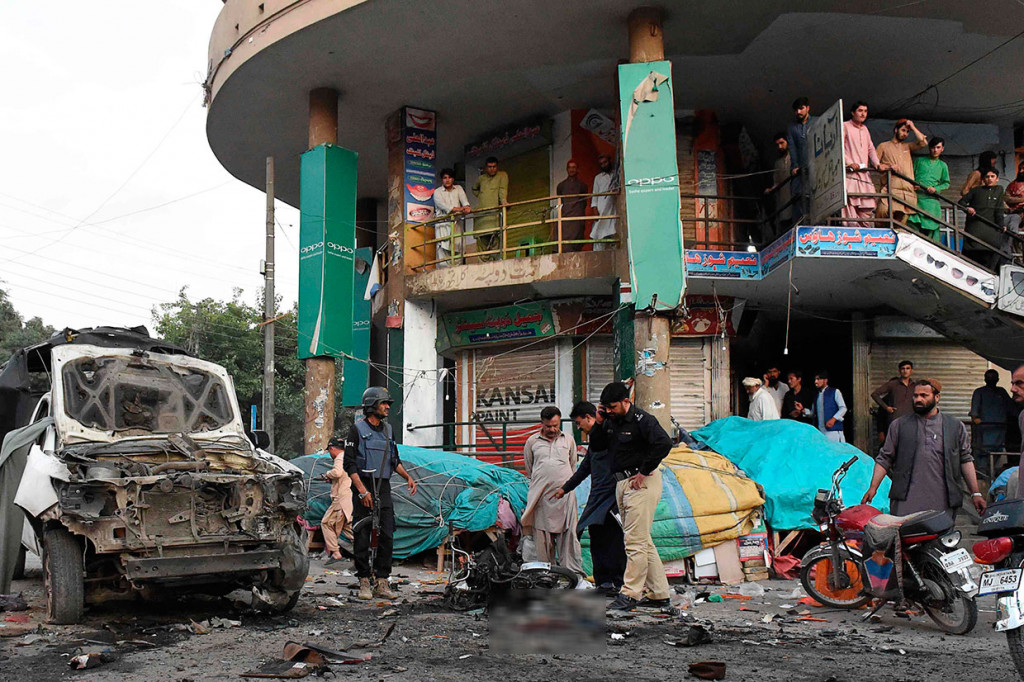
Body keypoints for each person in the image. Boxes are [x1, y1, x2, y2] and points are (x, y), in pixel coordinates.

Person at [587, 382, 674, 611]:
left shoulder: (642, 421)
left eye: (612, 406)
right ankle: (659, 594)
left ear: (626, 401)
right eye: (606, 407)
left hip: (641, 483)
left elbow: (664, 443)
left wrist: (644, 471)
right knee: (643, 541)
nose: (609, 411)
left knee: (634, 543)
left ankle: (629, 594)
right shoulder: (610, 422)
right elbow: (597, 447)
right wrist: (598, 421)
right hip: (622, 483)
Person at [862, 379, 986, 518]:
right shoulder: (899, 425)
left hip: (943, 504)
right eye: (915, 396)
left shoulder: (954, 426)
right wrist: (873, 488)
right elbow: (885, 459)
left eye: (924, 395)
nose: (918, 399)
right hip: (906, 503)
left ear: (937, 397)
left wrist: (975, 493)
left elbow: (965, 460)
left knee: (941, 539)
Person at [344, 387, 418, 601]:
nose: (387, 407)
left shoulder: (388, 431)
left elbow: (394, 460)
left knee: (387, 533)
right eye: (384, 403)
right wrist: (362, 491)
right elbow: (350, 465)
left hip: (382, 487)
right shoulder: (356, 431)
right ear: (371, 406)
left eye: (388, 404)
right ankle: (364, 581)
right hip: (363, 485)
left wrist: (408, 477)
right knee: (362, 534)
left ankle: (382, 581)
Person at [551, 401, 627, 594]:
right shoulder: (596, 440)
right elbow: (585, 468)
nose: (579, 427)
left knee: (614, 540)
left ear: (589, 418)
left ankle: (618, 583)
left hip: (612, 496)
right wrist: (564, 489)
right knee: (597, 539)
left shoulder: (609, 435)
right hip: (598, 496)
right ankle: (604, 583)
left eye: (579, 423)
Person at [521, 406, 585, 577]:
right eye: (548, 426)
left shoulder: (568, 440)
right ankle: (545, 575)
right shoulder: (532, 442)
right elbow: (530, 468)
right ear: (542, 423)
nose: (552, 429)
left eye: (555, 425)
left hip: (565, 498)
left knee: (568, 537)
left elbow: (572, 466)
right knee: (542, 538)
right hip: (541, 498)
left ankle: (571, 575)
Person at [876, 119, 928, 224]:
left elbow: (923, 143)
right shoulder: (883, 146)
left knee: (900, 225)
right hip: (891, 189)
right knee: (882, 214)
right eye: (903, 130)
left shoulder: (907, 146)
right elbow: (876, 165)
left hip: (907, 191)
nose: (905, 134)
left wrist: (912, 127)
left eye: (907, 132)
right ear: (896, 130)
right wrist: (889, 167)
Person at [842, 101, 881, 226]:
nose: (863, 114)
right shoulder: (845, 126)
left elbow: (870, 148)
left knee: (866, 212)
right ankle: (852, 237)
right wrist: (849, 163)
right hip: (850, 175)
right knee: (850, 212)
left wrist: (878, 164)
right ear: (853, 113)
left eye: (865, 111)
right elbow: (839, 148)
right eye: (860, 111)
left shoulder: (865, 129)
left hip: (864, 175)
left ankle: (864, 238)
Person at [960, 168, 1007, 270]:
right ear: (983, 179)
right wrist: (968, 208)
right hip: (974, 230)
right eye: (987, 177)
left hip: (990, 234)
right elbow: (961, 203)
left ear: (997, 178)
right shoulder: (975, 190)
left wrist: (1001, 225)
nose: (989, 179)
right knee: (970, 262)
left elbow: (999, 211)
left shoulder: (999, 190)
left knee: (988, 262)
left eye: (992, 176)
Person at [970, 369, 1014, 477]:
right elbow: (974, 415)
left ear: (997, 379)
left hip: (999, 434)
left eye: (993, 378)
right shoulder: (979, 392)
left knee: (995, 461)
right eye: (989, 378)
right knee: (982, 464)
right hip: (984, 434)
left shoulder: (1001, 392)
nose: (991, 380)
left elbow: (1012, 409)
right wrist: (978, 423)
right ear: (985, 379)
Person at [906, 138, 950, 241]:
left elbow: (946, 183)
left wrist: (935, 189)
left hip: (931, 203)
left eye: (938, 147)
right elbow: (910, 175)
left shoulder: (942, 165)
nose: (935, 150)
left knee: (931, 230)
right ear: (929, 148)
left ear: (942, 149)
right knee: (912, 226)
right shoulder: (919, 161)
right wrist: (913, 184)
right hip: (916, 199)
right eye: (933, 147)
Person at [321, 436, 353, 566]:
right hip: (348, 498)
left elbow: (338, 472)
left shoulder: (340, 458)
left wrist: (327, 474)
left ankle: (335, 552)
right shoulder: (350, 457)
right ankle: (364, 555)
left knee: (326, 523)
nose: (330, 454)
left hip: (341, 499)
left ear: (332, 448)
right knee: (348, 529)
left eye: (329, 451)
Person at [471, 156, 509, 261]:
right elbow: (474, 189)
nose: (492, 169)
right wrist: (482, 196)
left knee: (496, 242)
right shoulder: (481, 178)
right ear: (485, 168)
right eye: (489, 167)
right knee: (482, 244)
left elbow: (502, 191)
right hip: (481, 217)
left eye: (494, 166)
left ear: (497, 167)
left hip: (494, 215)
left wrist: (504, 202)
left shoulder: (502, 176)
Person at [432, 168, 471, 267]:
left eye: (449, 177)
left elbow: (466, 204)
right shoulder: (437, 192)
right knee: (443, 251)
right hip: (443, 224)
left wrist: (466, 208)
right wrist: (461, 209)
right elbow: (446, 208)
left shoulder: (458, 188)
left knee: (458, 248)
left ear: (453, 179)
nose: (447, 180)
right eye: (445, 178)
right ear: (442, 180)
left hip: (456, 223)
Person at [786, 97, 813, 222]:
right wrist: (795, 167)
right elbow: (792, 148)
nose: (799, 112)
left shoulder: (817, 123)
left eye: (801, 108)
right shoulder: (792, 128)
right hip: (801, 170)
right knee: (800, 197)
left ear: (807, 108)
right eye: (796, 110)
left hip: (817, 169)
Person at [555, 159, 588, 251]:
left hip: (577, 217)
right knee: (563, 240)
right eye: (570, 167)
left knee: (576, 240)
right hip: (565, 216)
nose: (571, 170)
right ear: (567, 169)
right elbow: (561, 200)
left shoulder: (582, 186)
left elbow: (584, 203)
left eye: (574, 167)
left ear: (577, 169)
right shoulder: (561, 186)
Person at [764, 132, 792, 234]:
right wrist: (771, 189)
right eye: (777, 145)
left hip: (794, 199)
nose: (780, 147)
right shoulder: (778, 163)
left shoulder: (794, 158)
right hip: (783, 201)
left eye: (782, 143)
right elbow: (777, 182)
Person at [590, 154, 619, 250]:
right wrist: (594, 209)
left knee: (613, 233)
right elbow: (594, 195)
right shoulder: (598, 178)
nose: (604, 165)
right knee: (599, 233)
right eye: (601, 164)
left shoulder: (616, 175)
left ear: (609, 161)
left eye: (605, 162)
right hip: (601, 208)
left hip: (613, 208)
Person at [812, 371, 847, 443]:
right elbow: (812, 413)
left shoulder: (835, 392)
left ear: (825, 380)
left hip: (833, 431)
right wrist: (802, 410)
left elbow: (843, 408)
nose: (816, 382)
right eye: (815, 379)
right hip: (820, 432)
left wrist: (833, 419)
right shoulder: (816, 396)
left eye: (818, 379)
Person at [1004, 161, 1024, 236]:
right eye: (1020, 169)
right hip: (1014, 214)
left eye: (1023, 169)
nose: (1021, 171)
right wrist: (1021, 199)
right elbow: (1006, 198)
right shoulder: (1012, 184)